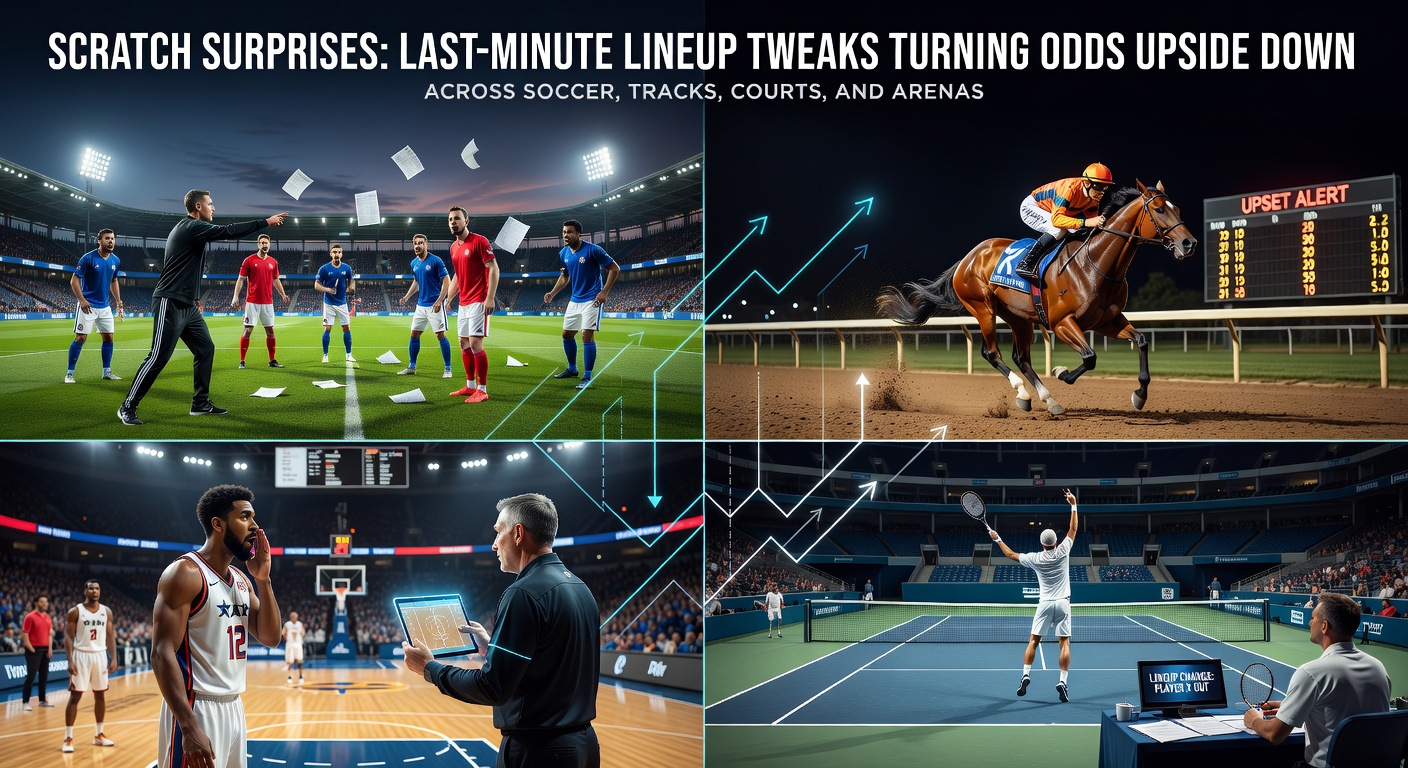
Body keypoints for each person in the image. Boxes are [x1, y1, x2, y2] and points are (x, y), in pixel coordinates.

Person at [402, 494, 600, 768]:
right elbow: (547, 658)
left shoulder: (523, 593)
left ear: (518, 533)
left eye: (498, 532)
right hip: (585, 746)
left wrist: (430, 668)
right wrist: (495, 646)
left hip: (540, 752)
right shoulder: (580, 588)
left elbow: (492, 687)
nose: (494, 544)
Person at [119, 191, 287, 425]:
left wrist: (195, 296)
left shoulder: (193, 230)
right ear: (198, 206)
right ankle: (128, 406)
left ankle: (200, 403)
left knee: (205, 348)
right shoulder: (190, 226)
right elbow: (227, 232)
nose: (214, 208)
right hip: (170, 301)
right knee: (158, 356)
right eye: (210, 204)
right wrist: (264, 223)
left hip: (188, 303)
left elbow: (188, 267)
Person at [152, 484, 281, 768]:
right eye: (245, 517)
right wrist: (188, 725)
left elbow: (271, 637)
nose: (255, 526)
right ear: (218, 524)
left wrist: (263, 579)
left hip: (234, 705)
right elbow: (162, 653)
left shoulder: (242, 579)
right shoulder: (185, 573)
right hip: (196, 707)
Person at [1243, 591, 1391, 768]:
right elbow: (1351, 710)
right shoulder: (1379, 668)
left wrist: (1254, 720)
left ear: (1324, 626)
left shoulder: (1311, 673)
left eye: (1313, 618)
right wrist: (1294, 707)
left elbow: (1275, 734)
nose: (1309, 622)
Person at [990, 488, 1078, 702]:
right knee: (1064, 644)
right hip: (1063, 603)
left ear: (1042, 545)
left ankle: (1025, 675)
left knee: (1033, 642)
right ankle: (1063, 682)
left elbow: (1010, 554)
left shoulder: (1035, 558)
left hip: (1045, 603)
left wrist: (997, 538)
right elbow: (1073, 528)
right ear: (1055, 543)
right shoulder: (1064, 550)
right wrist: (1073, 504)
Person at [544, 220, 619, 390]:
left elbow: (614, 268)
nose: (566, 235)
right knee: (566, 335)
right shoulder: (563, 253)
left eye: (569, 232)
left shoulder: (593, 250)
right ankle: (572, 369)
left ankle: (587, 376)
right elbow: (565, 277)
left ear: (578, 234)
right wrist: (552, 293)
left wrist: (604, 292)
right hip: (574, 300)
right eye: (564, 232)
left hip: (592, 299)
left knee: (586, 335)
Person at [1013, 163, 1115, 282]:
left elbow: (1090, 224)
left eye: (1105, 187)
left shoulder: (1094, 197)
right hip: (1033, 207)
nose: (1102, 192)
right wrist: (1087, 222)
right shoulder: (1068, 189)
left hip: (1054, 212)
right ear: (1087, 183)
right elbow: (1057, 220)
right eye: (1098, 186)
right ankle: (1026, 263)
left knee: (1080, 232)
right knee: (1058, 229)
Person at [444, 207, 499, 403]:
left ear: (466, 221)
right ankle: (470, 386)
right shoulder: (453, 248)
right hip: (464, 302)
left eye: (457, 218)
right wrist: (449, 298)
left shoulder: (479, 241)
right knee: (463, 343)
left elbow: (493, 268)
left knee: (475, 343)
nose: (453, 222)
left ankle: (482, 390)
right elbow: (458, 276)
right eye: (450, 219)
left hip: (479, 300)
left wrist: (490, 297)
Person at [63, 579, 118, 753]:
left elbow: (110, 636)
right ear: (85, 591)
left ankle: (99, 735)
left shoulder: (106, 611)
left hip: (100, 655)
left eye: (97, 588)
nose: (95, 591)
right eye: (91, 588)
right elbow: (67, 637)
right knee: (75, 697)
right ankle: (68, 738)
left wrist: (114, 657)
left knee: (100, 696)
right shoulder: (76, 611)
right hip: (81, 655)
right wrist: (70, 660)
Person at [67, 228, 124, 383]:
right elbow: (74, 280)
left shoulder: (115, 260)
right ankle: (69, 374)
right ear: (99, 241)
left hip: (105, 307)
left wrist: (118, 302)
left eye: (112, 238)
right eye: (107, 238)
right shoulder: (88, 258)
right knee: (80, 338)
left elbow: (114, 281)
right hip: (88, 306)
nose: (111, 241)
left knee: (109, 338)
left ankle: (107, 371)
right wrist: (82, 300)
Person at [396, 234, 453, 378]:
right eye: (415, 243)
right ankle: (412, 366)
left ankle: (448, 369)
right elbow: (416, 282)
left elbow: (447, 280)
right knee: (414, 334)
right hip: (420, 306)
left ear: (426, 244)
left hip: (435, 304)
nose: (417, 246)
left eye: (420, 243)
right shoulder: (414, 263)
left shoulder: (436, 261)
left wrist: (440, 300)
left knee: (440, 335)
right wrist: (407, 296)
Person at [231, 233, 289, 369]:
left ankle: (272, 360)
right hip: (252, 302)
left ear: (269, 245)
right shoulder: (249, 260)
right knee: (248, 330)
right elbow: (240, 279)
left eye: (267, 243)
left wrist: (283, 294)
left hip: (268, 302)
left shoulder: (273, 262)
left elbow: (276, 280)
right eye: (262, 243)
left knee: (270, 331)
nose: (265, 245)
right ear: (258, 244)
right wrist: (235, 296)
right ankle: (242, 361)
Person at [315, 246, 356, 364]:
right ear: (331, 254)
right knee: (327, 329)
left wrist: (351, 287)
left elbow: (351, 280)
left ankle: (348, 355)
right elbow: (316, 285)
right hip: (328, 303)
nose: (336, 254)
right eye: (334, 252)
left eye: (339, 252)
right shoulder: (324, 269)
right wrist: (328, 289)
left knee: (346, 328)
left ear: (342, 254)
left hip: (342, 303)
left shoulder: (347, 268)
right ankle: (325, 355)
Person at [21, 595, 55, 710]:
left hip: (45, 650)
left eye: (46, 602)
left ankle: (42, 700)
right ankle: (25, 702)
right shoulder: (30, 617)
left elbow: (49, 634)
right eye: (42, 601)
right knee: (31, 676)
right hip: (34, 650)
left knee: (44, 676)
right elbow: (25, 634)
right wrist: (31, 649)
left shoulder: (48, 617)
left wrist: (50, 649)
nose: (45, 604)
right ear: (36, 603)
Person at [282, 610, 305, 685]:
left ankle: (300, 676)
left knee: (299, 662)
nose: (293, 618)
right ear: (290, 617)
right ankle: (289, 677)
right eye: (292, 617)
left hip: (298, 644)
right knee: (289, 662)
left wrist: (300, 638)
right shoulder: (287, 624)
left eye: (295, 617)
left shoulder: (299, 624)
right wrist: (287, 639)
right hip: (290, 645)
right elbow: (283, 633)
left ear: (297, 617)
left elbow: (303, 632)